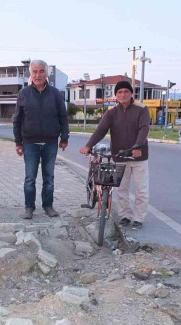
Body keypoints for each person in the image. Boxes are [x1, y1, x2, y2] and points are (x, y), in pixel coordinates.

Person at [79, 80, 150, 229]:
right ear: (116, 95)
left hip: (138, 156)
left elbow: (144, 129)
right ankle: (125, 215)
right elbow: (101, 130)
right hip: (119, 156)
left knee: (140, 190)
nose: (122, 94)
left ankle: (138, 218)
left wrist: (138, 146)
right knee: (122, 189)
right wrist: (88, 145)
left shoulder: (141, 109)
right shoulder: (111, 112)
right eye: (119, 92)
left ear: (131, 93)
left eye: (125, 91)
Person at [13, 59, 69, 219]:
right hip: (30, 143)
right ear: (30, 74)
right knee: (30, 178)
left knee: (49, 178)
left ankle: (48, 206)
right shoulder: (23, 94)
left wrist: (64, 137)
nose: (38, 75)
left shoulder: (55, 93)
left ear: (46, 73)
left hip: (50, 143)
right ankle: (29, 208)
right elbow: (17, 119)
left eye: (41, 71)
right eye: (35, 72)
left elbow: (63, 117)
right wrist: (18, 142)